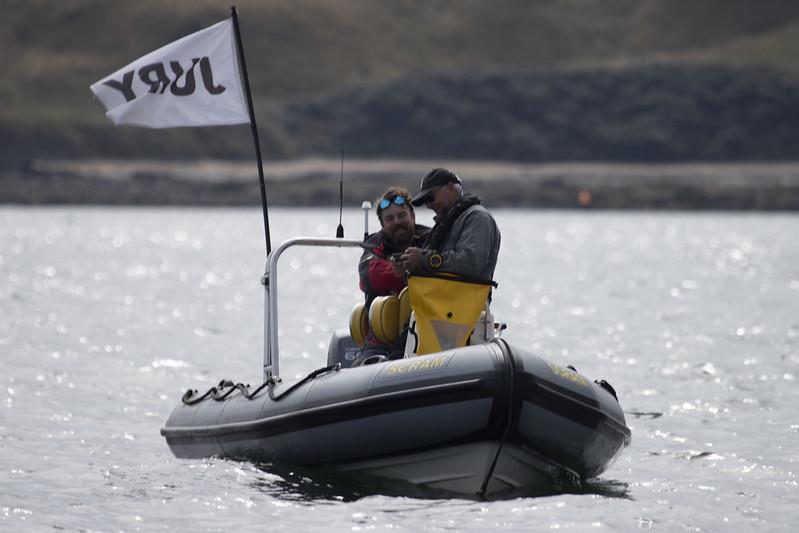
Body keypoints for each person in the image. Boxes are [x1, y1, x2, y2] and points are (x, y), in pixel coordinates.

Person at [356, 187, 429, 361]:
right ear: (382, 224)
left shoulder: (432, 239)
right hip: (380, 342)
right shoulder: (372, 246)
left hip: (429, 332)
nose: (397, 222)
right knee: (363, 367)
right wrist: (405, 270)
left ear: (412, 216)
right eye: (390, 218)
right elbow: (370, 278)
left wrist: (420, 265)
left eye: (401, 215)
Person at [401, 168, 500, 281]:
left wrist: (424, 259)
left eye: (430, 198)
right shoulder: (446, 223)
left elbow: (471, 264)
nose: (429, 205)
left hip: (463, 298)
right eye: (425, 202)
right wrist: (408, 269)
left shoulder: (477, 217)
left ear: (450, 186)